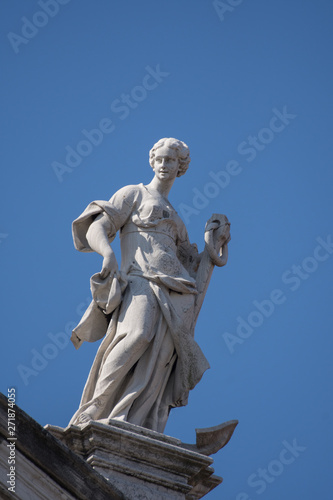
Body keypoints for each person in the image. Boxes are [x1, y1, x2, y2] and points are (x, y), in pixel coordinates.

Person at [69, 138, 230, 433]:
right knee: (137, 335)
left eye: (172, 161)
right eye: (161, 159)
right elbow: (97, 227)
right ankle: (94, 408)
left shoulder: (177, 220)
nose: (165, 165)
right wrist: (107, 253)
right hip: (140, 281)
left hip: (174, 292)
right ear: (152, 161)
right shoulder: (134, 194)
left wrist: (214, 243)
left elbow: (192, 268)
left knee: (160, 360)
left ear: (181, 167)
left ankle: (139, 421)